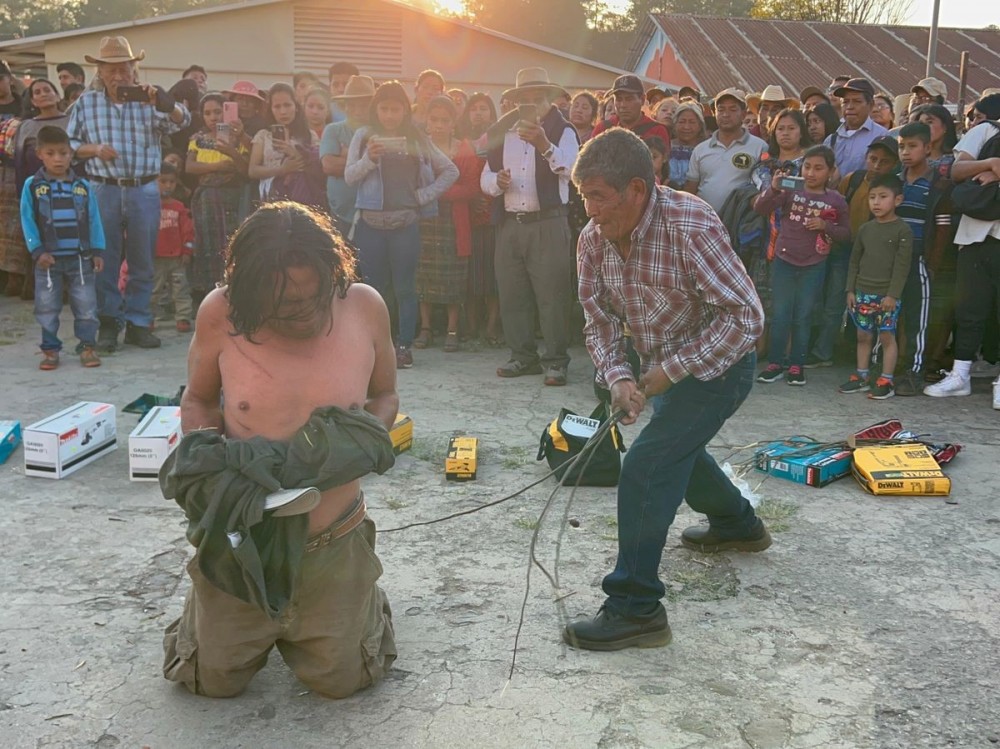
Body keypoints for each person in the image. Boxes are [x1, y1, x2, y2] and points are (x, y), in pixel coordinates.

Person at [163, 201, 398, 699]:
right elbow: (199, 399)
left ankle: (363, 597)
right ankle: (212, 616)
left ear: (330, 275)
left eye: (312, 299)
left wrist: (365, 444)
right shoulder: (219, 313)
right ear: (248, 290)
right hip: (244, 538)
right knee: (209, 682)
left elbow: (385, 395)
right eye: (283, 304)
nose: (302, 314)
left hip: (332, 540)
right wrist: (208, 458)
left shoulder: (364, 306)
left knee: (343, 682)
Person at [564, 128, 769, 652]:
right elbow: (599, 322)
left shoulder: (690, 223)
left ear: (637, 188)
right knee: (676, 448)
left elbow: (745, 318)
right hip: (663, 367)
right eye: (583, 196)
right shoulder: (593, 238)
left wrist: (671, 372)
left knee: (649, 462)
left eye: (599, 198)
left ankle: (636, 608)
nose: (591, 211)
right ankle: (737, 523)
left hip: (722, 368)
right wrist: (620, 378)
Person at [67, 36, 191, 353]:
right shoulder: (86, 103)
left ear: (134, 69)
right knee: (104, 260)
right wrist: (93, 149)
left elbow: (184, 122)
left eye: (124, 68)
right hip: (102, 187)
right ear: (100, 71)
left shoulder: (149, 99)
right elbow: (67, 145)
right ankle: (108, 324)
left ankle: (138, 323)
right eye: (111, 69)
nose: (119, 76)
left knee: (142, 259)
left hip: (144, 188)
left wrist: (168, 105)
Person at [345, 81, 458, 369]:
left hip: (405, 223)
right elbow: (349, 177)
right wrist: (370, 159)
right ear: (376, 109)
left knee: (406, 287)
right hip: (370, 224)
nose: (390, 115)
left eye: (396, 109)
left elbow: (450, 170)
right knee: (373, 288)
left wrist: (422, 196)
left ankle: (404, 346)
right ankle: (374, 346)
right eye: (384, 109)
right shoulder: (364, 135)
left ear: (405, 111)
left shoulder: (417, 137)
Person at [481, 67, 579, 386]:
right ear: (516, 101)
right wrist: (497, 181)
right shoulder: (502, 132)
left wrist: (544, 144)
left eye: (539, 98)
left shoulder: (563, 130)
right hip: (510, 222)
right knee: (512, 293)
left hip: (548, 222)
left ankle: (555, 361)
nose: (532, 104)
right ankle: (522, 357)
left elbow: (572, 170)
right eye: (526, 99)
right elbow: (484, 177)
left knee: (552, 294)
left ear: (551, 100)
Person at [925, 93, 1000, 405]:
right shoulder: (986, 130)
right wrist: (991, 164)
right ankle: (960, 375)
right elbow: (957, 172)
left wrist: (989, 175)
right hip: (974, 234)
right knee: (969, 308)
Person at [754, 145, 850, 386]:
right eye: (807, 166)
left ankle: (797, 364)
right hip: (784, 261)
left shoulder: (835, 199)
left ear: (831, 171)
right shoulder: (791, 187)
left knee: (803, 316)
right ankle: (775, 363)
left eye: (819, 168)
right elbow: (760, 208)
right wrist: (773, 188)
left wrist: (826, 226)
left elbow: (846, 234)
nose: (811, 173)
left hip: (814, 264)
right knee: (781, 314)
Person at [808, 136, 901, 369]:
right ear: (866, 158)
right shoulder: (853, 180)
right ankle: (823, 352)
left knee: (864, 305)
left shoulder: (892, 190)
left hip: (872, 255)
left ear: (894, 165)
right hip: (842, 249)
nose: (877, 165)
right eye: (873, 159)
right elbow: (833, 207)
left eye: (885, 162)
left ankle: (858, 354)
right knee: (833, 301)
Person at [20, 126, 106, 370]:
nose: (58, 159)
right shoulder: (33, 186)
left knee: (87, 305)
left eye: (63, 153)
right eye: (51, 153)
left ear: (71, 154)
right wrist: (37, 251)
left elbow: (94, 219)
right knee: (47, 306)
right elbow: (27, 220)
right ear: (40, 154)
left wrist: (98, 251)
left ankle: (88, 346)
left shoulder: (82, 186)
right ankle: (50, 350)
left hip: (80, 258)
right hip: (48, 260)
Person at [890, 122, 955, 396]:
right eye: (902, 146)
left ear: (928, 148)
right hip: (891, 261)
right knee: (888, 318)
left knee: (917, 320)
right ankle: (884, 371)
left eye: (912, 146)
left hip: (919, 262)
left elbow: (942, 230)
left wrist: (931, 264)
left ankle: (912, 371)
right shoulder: (894, 182)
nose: (905, 152)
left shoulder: (938, 186)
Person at [414, 96, 480, 352]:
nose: (439, 125)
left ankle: (452, 329)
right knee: (423, 273)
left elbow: (472, 188)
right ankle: (426, 327)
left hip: (455, 221)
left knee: (453, 275)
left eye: (445, 120)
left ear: (454, 123)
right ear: (426, 121)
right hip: (425, 221)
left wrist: (436, 192)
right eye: (434, 119)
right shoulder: (419, 147)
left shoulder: (464, 149)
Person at [839, 174, 912, 399]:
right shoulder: (865, 229)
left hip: (886, 297)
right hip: (862, 293)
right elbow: (854, 261)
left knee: (887, 337)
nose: (876, 202)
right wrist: (850, 289)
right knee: (863, 335)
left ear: (897, 200)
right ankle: (861, 376)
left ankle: (886, 380)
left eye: (883, 197)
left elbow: (902, 268)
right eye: (872, 197)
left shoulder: (903, 231)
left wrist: (892, 295)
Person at [187, 92, 250, 307]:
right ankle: (208, 299)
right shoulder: (198, 139)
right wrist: (217, 166)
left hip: (232, 200)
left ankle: (235, 295)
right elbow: (189, 167)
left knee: (231, 245)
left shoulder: (238, 137)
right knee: (207, 247)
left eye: (217, 111)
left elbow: (245, 170)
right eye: (207, 113)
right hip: (206, 201)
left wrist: (232, 151)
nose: (212, 117)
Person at [456, 92, 501, 345]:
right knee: (471, 276)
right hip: (467, 217)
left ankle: (493, 327)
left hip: (494, 216)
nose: (478, 113)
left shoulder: (500, 141)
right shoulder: (460, 142)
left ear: (492, 113)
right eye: (474, 108)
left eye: (484, 108)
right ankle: (472, 327)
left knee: (493, 275)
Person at [683, 89, 767, 215]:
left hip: (741, 223)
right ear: (714, 113)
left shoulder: (760, 147)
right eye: (721, 110)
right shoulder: (700, 149)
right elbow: (691, 188)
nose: (726, 115)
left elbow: (764, 189)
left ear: (743, 114)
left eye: (733, 110)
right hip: (705, 221)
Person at [248, 83, 317, 204]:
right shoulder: (263, 135)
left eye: (287, 105)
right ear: (271, 110)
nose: (283, 111)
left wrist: (295, 153)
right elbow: (252, 170)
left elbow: (318, 165)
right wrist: (281, 170)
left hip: (302, 196)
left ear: (296, 106)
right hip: (271, 197)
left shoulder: (309, 135)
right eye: (277, 107)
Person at [321, 74, 374, 232]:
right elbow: (328, 166)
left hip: (373, 215)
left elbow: (384, 168)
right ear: (345, 105)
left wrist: (346, 155)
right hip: (340, 214)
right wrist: (367, 161)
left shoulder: (380, 131)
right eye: (352, 104)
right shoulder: (333, 130)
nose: (357, 111)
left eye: (363, 105)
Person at [152, 162, 194, 332]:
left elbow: (188, 232)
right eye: (163, 181)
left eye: (172, 182)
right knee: (153, 290)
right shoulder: (149, 206)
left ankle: (183, 317)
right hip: (155, 257)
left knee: (180, 289)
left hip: (177, 258)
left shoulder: (179, 208)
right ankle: (148, 318)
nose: (168, 185)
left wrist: (187, 251)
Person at [825, 78, 889, 177]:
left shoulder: (882, 137)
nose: (850, 106)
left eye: (857, 101)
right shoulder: (831, 140)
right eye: (845, 102)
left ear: (871, 105)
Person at [592, 75, 671, 151]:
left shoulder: (657, 131)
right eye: (619, 99)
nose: (623, 105)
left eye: (629, 99)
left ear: (642, 99)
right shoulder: (602, 129)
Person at [666, 102, 705, 190]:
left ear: (700, 126)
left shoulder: (706, 149)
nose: (686, 127)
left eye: (692, 122)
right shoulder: (666, 146)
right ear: (675, 124)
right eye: (682, 122)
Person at [916, 104, 958, 173]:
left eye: (929, 122)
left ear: (945, 126)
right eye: (921, 124)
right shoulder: (914, 157)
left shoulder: (957, 159)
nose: (924, 127)